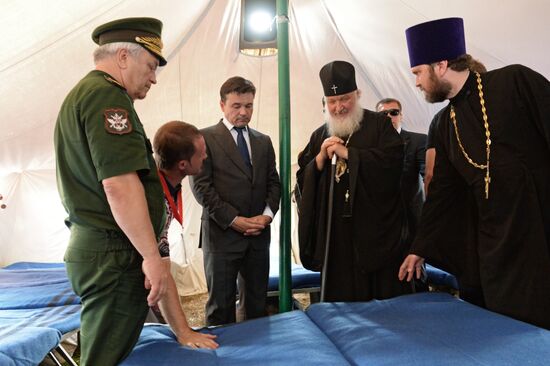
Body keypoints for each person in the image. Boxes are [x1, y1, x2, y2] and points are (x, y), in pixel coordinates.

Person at [398, 17, 550, 329]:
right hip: (495, 248)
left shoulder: (515, 83)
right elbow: (441, 193)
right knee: (507, 329)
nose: (416, 83)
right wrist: (420, 247)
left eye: (418, 73)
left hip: (539, 233)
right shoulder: (443, 124)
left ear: (440, 65)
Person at [54, 18, 171, 365]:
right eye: (150, 67)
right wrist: (152, 257)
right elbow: (119, 185)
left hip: (102, 249)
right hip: (113, 254)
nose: (153, 78)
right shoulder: (107, 98)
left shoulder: (86, 94)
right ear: (123, 57)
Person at [297, 60, 412, 302]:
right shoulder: (320, 134)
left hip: (373, 230)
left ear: (357, 95)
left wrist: (350, 155)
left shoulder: (379, 125)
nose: (338, 107)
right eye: (332, 101)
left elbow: (393, 163)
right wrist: (319, 160)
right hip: (335, 232)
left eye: (345, 99)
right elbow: (303, 179)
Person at [190, 76, 281, 326]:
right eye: (236, 106)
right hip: (221, 237)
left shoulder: (263, 141)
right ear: (222, 105)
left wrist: (266, 215)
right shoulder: (203, 138)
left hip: (258, 237)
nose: (243, 112)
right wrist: (234, 220)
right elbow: (201, 187)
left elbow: (274, 182)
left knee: (257, 305)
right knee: (221, 306)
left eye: (249, 106)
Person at [152, 121, 218, 349]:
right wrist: (184, 332)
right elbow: (160, 269)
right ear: (183, 164)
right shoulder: (155, 200)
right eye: (201, 154)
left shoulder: (168, 183)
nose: (206, 157)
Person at [376, 98, 427, 244]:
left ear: (401, 115)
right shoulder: (368, 145)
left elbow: (429, 176)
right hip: (380, 219)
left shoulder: (419, 141)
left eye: (394, 112)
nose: (389, 117)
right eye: (383, 114)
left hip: (409, 218)